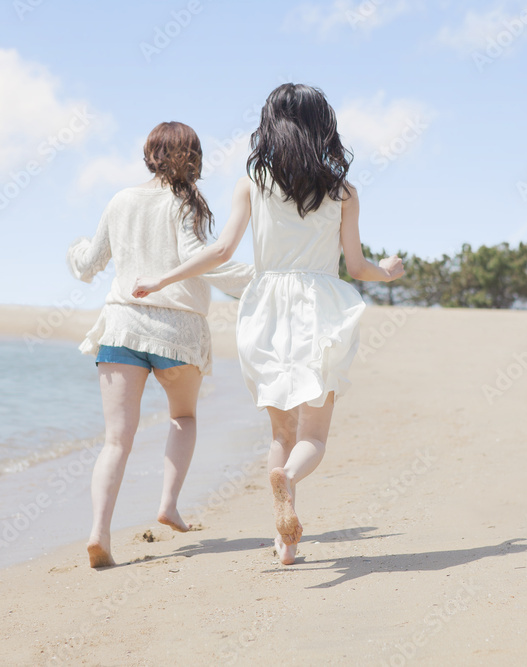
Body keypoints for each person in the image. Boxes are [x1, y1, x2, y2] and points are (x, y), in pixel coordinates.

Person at [132, 84, 404, 564]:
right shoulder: (342, 191)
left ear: (270, 126)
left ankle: (286, 543)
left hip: (265, 308)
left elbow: (219, 251)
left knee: (281, 435)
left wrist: (160, 279)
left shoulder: (251, 183)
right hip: (321, 305)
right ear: (324, 127)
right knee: (313, 437)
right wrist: (389, 269)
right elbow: (357, 267)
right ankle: (291, 482)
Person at [67, 121, 254, 568]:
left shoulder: (120, 200)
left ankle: (99, 532)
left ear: (149, 154)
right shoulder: (184, 202)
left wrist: (74, 251)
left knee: (116, 440)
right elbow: (201, 261)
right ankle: (168, 504)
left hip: (122, 327)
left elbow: (90, 261)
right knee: (183, 417)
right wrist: (260, 277)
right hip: (178, 331)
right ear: (193, 158)